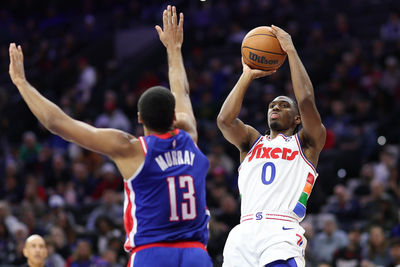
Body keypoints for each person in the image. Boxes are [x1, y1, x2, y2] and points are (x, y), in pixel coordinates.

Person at [9, 5, 211, 267]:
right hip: (196, 253)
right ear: (175, 117)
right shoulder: (189, 135)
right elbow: (181, 91)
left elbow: (56, 123)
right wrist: (174, 49)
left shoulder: (130, 148)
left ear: (139, 119)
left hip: (153, 253)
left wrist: (22, 83)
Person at [217, 25, 326, 267]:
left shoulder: (307, 143)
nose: (275, 107)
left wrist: (291, 51)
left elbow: (306, 99)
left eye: (284, 105)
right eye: (271, 105)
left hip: (281, 231)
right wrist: (246, 75)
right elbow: (224, 121)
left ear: (298, 118)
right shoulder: (252, 141)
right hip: (243, 232)